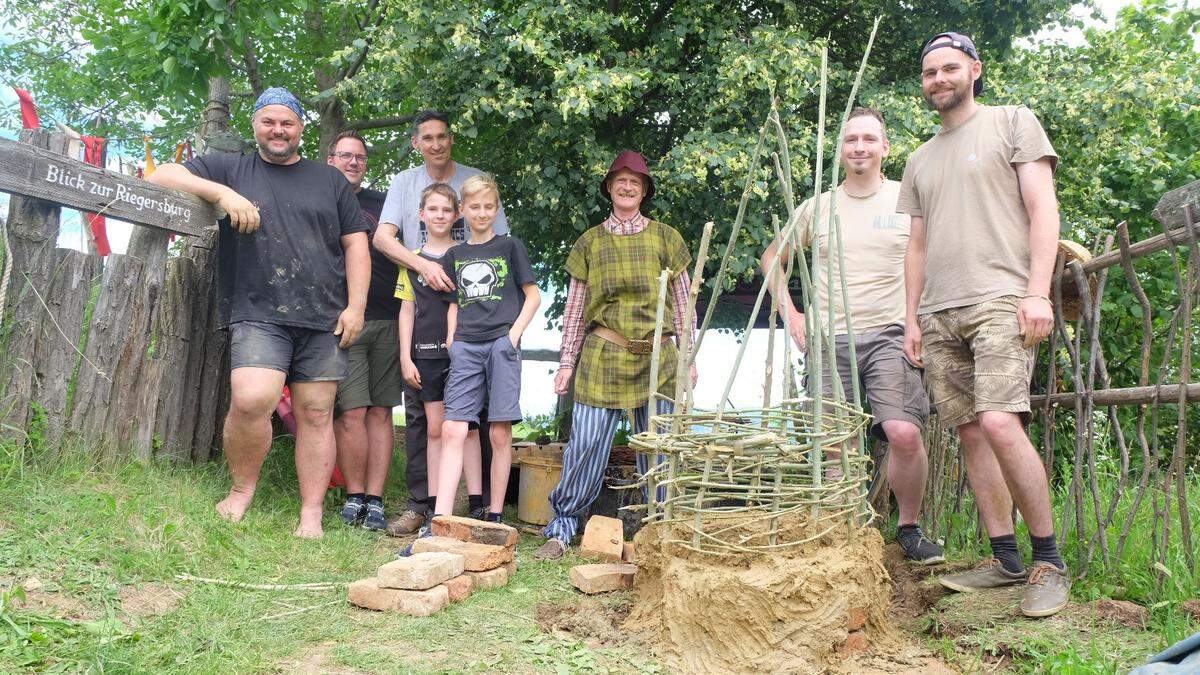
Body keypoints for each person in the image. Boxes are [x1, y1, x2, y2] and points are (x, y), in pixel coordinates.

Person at [147, 87, 370, 538]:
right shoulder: (232, 168)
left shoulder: (330, 181)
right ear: (255, 125)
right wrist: (222, 195)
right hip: (257, 310)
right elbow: (160, 175)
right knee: (251, 399)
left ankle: (310, 514)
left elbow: (356, 245)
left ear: (301, 129)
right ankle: (241, 490)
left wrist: (357, 307)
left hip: (324, 316)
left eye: (287, 122)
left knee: (315, 411)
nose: (278, 130)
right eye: (269, 121)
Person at [898, 32, 1067, 617]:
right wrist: (912, 316)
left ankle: (1049, 561)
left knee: (999, 420)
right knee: (969, 430)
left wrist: (1037, 292)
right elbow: (916, 245)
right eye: (929, 73)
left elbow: (1043, 207)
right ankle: (1006, 560)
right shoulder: (919, 158)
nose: (938, 79)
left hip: (1000, 297)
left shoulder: (1013, 122)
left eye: (949, 68)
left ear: (974, 69)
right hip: (940, 311)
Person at [760, 107, 945, 565]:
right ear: (841, 150)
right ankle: (842, 529)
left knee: (903, 432)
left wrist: (919, 320)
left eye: (868, 139)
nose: (859, 147)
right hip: (830, 338)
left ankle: (908, 527)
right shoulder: (817, 208)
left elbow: (932, 259)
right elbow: (771, 260)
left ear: (885, 147)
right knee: (834, 438)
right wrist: (793, 315)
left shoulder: (908, 200)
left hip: (890, 333)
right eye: (850, 140)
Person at [535, 150, 695, 561]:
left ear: (644, 191)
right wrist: (566, 362)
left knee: (660, 447)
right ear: (609, 187)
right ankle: (563, 527)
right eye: (620, 180)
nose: (627, 187)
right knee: (585, 445)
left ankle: (662, 530)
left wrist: (689, 357)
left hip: (658, 357)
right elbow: (574, 308)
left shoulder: (666, 238)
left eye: (635, 182)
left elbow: (683, 304)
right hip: (603, 355)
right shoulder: (590, 241)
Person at [374, 110, 510, 535]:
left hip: (473, 326)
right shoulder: (403, 182)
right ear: (417, 142)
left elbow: (497, 250)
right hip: (424, 324)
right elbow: (382, 237)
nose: (435, 144)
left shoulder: (476, 182)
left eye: (442, 137)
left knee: (474, 419)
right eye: (426, 138)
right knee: (424, 420)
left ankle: (480, 502)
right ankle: (424, 503)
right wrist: (423, 266)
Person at [404, 174, 539, 552]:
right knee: (452, 429)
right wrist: (451, 338)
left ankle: (494, 515)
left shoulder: (510, 246)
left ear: (496, 210)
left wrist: (513, 336)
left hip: (501, 344)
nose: (482, 213)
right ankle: (440, 520)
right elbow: (452, 302)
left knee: (498, 432)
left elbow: (533, 296)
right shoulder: (455, 255)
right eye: (474, 207)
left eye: (489, 207)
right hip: (465, 346)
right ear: (463, 211)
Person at [394, 183, 486, 532]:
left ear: (457, 214)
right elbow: (406, 312)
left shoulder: (466, 254)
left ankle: (477, 504)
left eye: (447, 210)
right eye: (433, 210)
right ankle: (434, 508)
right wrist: (406, 356)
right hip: (425, 355)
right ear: (422, 214)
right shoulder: (412, 260)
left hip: (464, 354)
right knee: (435, 429)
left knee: (468, 428)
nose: (440, 216)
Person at [324, 130, 400, 532]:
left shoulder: (383, 204)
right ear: (331, 159)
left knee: (381, 411)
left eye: (360, 157)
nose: (354, 163)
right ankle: (353, 495)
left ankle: (376, 498)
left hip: (388, 317)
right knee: (350, 411)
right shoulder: (321, 197)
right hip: (342, 320)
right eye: (346, 156)